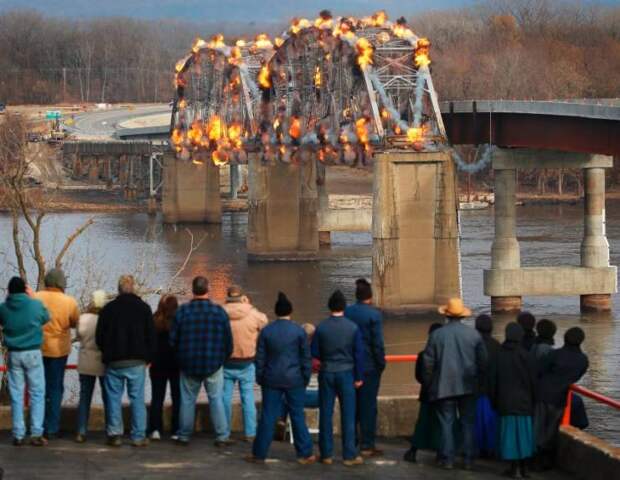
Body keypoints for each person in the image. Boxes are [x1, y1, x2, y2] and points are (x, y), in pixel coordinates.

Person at [248, 292, 315, 464]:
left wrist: (260, 377)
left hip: (271, 379)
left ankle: (259, 453)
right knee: (297, 415)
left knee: (268, 416)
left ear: (275, 311)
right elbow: (305, 358)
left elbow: (260, 358)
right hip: (295, 379)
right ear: (290, 311)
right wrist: (305, 377)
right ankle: (305, 453)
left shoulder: (267, 331)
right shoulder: (299, 332)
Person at [422, 298, 487, 470]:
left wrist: (429, 385)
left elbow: (427, 364)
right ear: (462, 316)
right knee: (467, 423)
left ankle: (448, 459)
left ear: (447, 315)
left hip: (444, 386)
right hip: (468, 386)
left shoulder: (437, 335)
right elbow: (483, 362)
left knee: (446, 423)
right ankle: (467, 459)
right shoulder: (474, 335)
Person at [170, 276, 233, 447]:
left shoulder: (182, 312)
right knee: (216, 399)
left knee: (187, 400)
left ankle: (184, 435)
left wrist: (181, 359)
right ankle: (222, 435)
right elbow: (228, 341)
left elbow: (173, 341)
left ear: (193, 289)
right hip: (213, 363)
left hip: (189, 364)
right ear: (208, 289)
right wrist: (221, 359)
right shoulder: (219, 312)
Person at [96, 275, 156, 447]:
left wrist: (107, 352)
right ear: (133, 288)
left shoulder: (108, 309)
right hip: (137, 361)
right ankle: (138, 436)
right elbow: (151, 336)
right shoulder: (144, 308)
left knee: (113, 398)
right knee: (137, 398)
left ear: (118, 289)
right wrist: (148, 358)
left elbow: (99, 336)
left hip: (114, 361)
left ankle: (114, 434)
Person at [311, 290, 365, 467]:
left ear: (329, 307)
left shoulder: (321, 327)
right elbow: (359, 354)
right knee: (348, 414)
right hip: (347, 373)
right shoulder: (353, 327)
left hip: (327, 373)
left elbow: (315, 353)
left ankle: (326, 454)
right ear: (344, 307)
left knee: (326, 413)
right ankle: (349, 455)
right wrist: (359, 377)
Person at [0, 277, 49, 446]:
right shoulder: (34, 305)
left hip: (14, 354)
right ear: (24, 290)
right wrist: (33, 296)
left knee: (16, 394)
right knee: (37, 393)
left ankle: (18, 434)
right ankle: (36, 433)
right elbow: (46, 317)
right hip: (33, 353)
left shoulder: (4, 308)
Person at [534, 327, 589, 470]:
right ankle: (546, 461)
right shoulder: (583, 360)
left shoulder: (555, 354)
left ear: (565, 338)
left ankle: (534, 459)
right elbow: (576, 377)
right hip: (560, 397)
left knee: (538, 427)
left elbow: (540, 370)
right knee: (552, 429)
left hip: (542, 393)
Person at [35, 269, 80, 439]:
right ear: (62, 284)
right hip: (59, 350)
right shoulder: (69, 301)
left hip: (38, 348)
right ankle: (52, 427)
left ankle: (37, 425)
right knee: (55, 389)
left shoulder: (37, 297)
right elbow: (77, 322)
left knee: (38, 388)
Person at [344, 278, 386, 457]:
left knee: (351, 406)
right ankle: (367, 444)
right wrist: (381, 364)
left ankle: (351, 442)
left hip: (349, 366)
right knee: (368, 406)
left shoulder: (347, 312)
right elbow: (377, 344)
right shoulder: (374, 315)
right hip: (369, 366)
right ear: (370, 296)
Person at [222, 285, 268, 442]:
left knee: (225, 398)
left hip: (226, 362)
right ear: (243, 296)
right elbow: (265, 323)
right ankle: (250, 432)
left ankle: (224, 432)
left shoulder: (221, 313)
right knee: (247, 397)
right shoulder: (253, 314)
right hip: (247, 362)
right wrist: (250, 305)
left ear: (227, 296)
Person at [492, 323, 537, 478]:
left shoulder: (499, 354)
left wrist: (495, 400)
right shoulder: (526, 355)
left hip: (505, 401)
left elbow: (494, 381)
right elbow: (533, 381)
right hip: (524, 401)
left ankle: (514, 467)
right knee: (524, 434)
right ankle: (524, 468)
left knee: (509, 435)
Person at [403, 323, 442, 463]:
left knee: (422, 424)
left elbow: (418, 376)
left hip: (426, 394)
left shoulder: (422, 354)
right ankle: (440, 453)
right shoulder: (445, 355)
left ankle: (413, 451)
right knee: (441, 424)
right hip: (443, 394)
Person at [75, 290, 108, 443]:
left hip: (85, 361)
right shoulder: (106, 319)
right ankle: (111, 429)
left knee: (84, 397)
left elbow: (79, 335)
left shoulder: (83, 318)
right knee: (108, 397)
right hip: (102, 362)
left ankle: (81, 430)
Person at [148, 294, 180, 441]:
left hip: (158, 364)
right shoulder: (179, 322)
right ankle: (176, 429)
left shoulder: (154, 321)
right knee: (177, 397)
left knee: (157, 397)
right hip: (176, 364)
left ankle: (155, 429)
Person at [474, 314, 500, 458]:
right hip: (492, 391)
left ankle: (477, 449)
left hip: (475, 389)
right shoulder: (497, 345)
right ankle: (490, 450)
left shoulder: (472, 344)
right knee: (491, 423)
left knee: (475, 422)